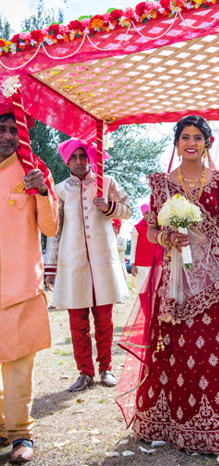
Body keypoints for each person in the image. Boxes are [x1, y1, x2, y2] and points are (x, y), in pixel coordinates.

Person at [116, 115, 219, 458]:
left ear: (206, 143)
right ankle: (173, 423)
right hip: (175, 279)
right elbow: (150, 231)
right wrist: (166, 235)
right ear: (176, 143)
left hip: (214, 276)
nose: (190, 142)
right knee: (176, 345)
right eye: (184, 136)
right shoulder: (162, 184)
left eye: (197, 137)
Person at [44, 139, 131, 392]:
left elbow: (127, 209)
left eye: (83, 156)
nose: (80, 161)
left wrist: (111, 207)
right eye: (74, 157)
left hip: (103, 261)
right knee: (77, 322)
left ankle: (106, 368)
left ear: (90, 158)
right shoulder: (59, 189)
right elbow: (54, 230)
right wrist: (51, 267)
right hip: (73, 264)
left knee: (104, 320)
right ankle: (84, 372)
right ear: (67, 161)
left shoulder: (107, 181)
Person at [0, 106, 59, 462]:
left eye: (13, 130)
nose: (8, 136)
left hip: (21, 284)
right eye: (1, 128)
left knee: (19, 366)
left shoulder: (34, 171)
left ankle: (21, 435)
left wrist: (41, 193)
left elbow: (50, 228)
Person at [130, 204, 153, 293]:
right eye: (147, 213)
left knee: (154, 291)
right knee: (142, 291)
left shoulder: (158, 227)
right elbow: (133, 247)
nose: (149, 215)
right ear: (143, 214)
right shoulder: (137, 227)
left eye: (150, 213)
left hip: (155, 263)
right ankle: (144, 307)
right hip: (141, 265)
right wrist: (133, 265)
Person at [112, 219, 130, 284]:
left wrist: (114, 247)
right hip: (112, 260)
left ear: (118, 229)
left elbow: (124, 247)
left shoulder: (122, 238)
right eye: (113, 228)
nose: (114, 229)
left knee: (122, 275)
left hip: (120, 260)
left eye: (116, 228)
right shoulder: (109, 238)